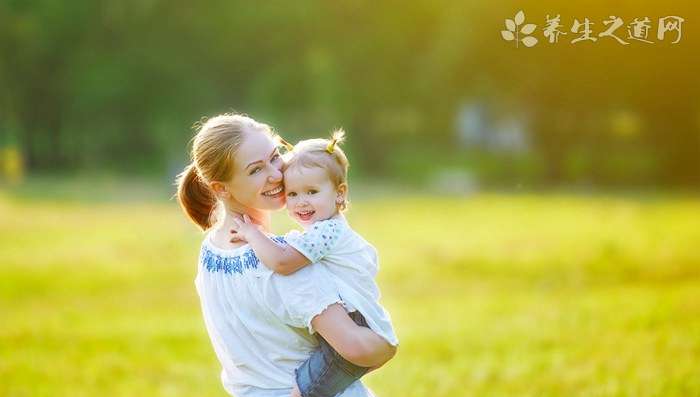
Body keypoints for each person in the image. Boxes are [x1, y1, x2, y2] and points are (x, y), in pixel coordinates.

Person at [176, 113, 396, 397]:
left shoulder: (210, 253)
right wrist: (387, 345)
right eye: (256, 170)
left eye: (275, 156)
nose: (277, 174)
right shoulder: (288, 264)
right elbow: (358, 348)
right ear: (220, 188)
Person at [231, 129, 399, 397]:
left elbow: (282, 262)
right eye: (293, 193)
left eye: (312, 191)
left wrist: (253, 234)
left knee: (302, 392)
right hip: (348, 330)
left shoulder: (326, 232)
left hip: (353, 330)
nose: (301, 202)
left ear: (339, 193)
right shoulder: (325, 230)